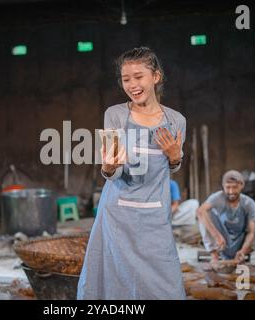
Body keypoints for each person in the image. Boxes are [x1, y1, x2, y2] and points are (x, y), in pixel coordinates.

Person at [77, 47, 187, 300]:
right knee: (113, 281)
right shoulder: (116, 115)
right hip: (117, 213)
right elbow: (112, 172)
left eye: (139, 77)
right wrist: (107, 167)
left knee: (164, 283)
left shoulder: (175, 121)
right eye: (126, 79)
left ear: (156, 77)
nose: (132, 85)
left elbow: (174, 166)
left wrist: (174, 157)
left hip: (155, 213)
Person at [196, 170, 255, 266]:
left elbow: (251, 232)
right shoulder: (217, 198)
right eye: (228, 187)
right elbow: (200, 212)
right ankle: (214, 256)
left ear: (242, 185)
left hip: (241, 244)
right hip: (222, 242)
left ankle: (239, 256)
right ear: (223, 186)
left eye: (235, 187)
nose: (231, 191)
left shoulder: (248, 203)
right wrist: (217, 236)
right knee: (203, 213)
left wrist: (243, 250)